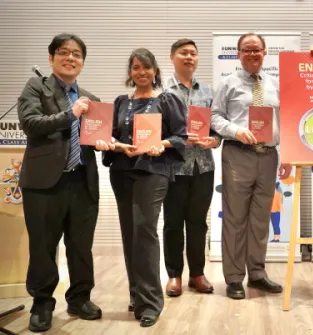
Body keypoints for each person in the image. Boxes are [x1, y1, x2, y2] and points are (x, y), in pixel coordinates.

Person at [17, 33, 112, 332]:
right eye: (63, 52)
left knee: (81, 246)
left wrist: (104, 143)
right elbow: (30, 124)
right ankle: (43, 303)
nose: (70, 57)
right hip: (45, 183)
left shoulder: (91, 99)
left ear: (83, 62)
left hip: (83, 181)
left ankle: (80, 298)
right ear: (51, 58)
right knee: (44, 247)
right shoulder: (36, 87)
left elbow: (94, 139)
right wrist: (69, 114)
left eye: (77, 54)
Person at [102, 48, 186, 327]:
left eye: (146, 68)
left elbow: (181, 136)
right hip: (123, 172)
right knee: (129, 233)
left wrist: (160, 144)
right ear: (130, 72)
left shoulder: (167, 100)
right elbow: (110, 136)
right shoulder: (120, 102)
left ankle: (151, 302)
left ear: (155, 71)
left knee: (145, 230)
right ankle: (136, 294)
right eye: (136, 68)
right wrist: (114, 145)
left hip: (154, 171)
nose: (141, 72)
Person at [211, 33, 291, 300]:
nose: (252, 54)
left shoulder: (275, 84)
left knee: (260, 219)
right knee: (235, 218)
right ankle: (234, 278)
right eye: (247, 50)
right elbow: (215, 117)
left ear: (265, 52)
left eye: (257, 50)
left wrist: (288, 154)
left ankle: (257, 273)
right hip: (238, 154)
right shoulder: (227, 83)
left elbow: (286, 120)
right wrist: (235, 130)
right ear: (238, 53)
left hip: (268, 156)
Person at [162, 38, 220, 297]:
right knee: (173, 223)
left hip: (203, 166)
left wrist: (215, 140)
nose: (189, 57)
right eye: (183, 53)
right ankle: (174, 275)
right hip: (174, 166)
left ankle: (197, 274)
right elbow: (155, 128)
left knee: (198, 223)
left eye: (193, 54)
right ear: (172, 57)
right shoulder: (162, 90)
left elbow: (217, 125)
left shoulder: (208, 91)